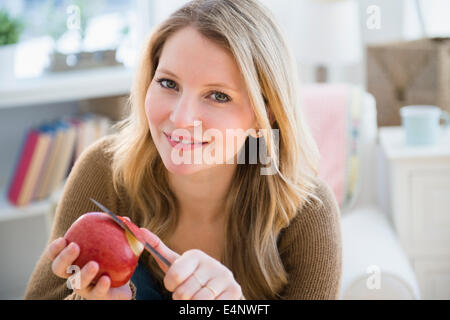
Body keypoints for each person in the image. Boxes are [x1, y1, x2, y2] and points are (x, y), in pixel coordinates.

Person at [24, 0, 342, 300]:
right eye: (169, 84)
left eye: (218, 95)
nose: (181, 118)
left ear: (265, 114)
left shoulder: (308, 212)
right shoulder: (104, 169)